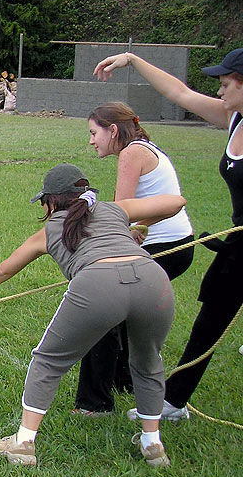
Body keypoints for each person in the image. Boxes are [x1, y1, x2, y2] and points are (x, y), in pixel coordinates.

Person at [0, 164, 185, 467]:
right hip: (152, 279)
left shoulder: (48, 231)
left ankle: (23, 443)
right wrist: (136, 226)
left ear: (51, 202)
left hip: (98, 284)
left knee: (48, 359)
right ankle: (153, 445)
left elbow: (6, 268)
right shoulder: (116, 210)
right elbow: (176, 203)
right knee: (148, 361)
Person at [95, 48, 243, 422]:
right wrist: (132, 59)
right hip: (239, 245)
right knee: (209, 321)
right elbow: (179, 94)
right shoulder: (233, 118)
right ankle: (174, 402)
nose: (220, 92)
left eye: (226, 84)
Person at [74, 102, 195, 416]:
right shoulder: (144, 147)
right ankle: (124, 380)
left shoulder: (131, 153)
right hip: (178, 245)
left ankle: (94, 404)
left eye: (93, 133)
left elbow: (119, 213)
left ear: (113, 130)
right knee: (127, 310)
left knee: (102, 309)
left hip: (165, 247)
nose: (91, 141)